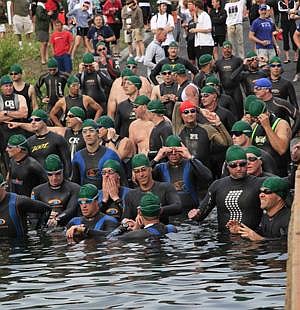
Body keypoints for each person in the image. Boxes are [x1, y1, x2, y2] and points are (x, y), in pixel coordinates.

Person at [188, 145, 264, 233]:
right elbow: (201, 215)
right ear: (227, 166)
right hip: (224, 240)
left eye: (242, 164)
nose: (239, 168)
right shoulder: (217, 185)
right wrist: (196, 215)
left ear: (247, 163)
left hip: (251, 240)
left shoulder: (258, 183)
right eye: (233, 165)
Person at [152, 135, 213, 208]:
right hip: (170, 211)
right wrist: (156, 158)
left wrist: (190, 157)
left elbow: (208, 177)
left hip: (190, 211)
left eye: (177, 151)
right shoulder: (160, 168)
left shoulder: (191, 164)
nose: (173, 153)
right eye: (170, 151)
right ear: (165, 152)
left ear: (182, 150)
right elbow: (143, 177)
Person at [123, 153, 182, 224]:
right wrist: (129, 223)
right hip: (142, 232)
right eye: (137, 171)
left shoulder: (165, 188)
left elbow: (178, 206)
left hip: (163, 229)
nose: (141, 174)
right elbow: (125, 218)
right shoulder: (130, 195)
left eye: (143, 170)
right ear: (134, 174)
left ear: (150, 169)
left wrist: (155, 211)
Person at [178, 100, 232, 171]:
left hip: (205, 171)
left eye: (193, 111)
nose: (190, 114)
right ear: (181, 115)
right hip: (185, 171)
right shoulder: (178, 129)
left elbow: (227, 143)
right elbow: (177, 105)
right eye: (186, 112)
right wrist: (200, 109)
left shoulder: (207, 129)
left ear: (196, 114)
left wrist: (219, 124)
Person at [31, 154, 81, 228]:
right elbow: (33, 218)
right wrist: (46, 216)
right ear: (46, 174)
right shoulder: (37, 191)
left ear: (63, 171)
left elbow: (72, 210)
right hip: (45, 229)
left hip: (65, 228)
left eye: (58, 174)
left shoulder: (75, 188)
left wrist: (57, 218)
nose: (54, 178)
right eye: (50, 175)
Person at [249, 98, 292, 176]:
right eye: (253, 118)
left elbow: (281, 149)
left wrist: (267, 127)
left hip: (279, 173)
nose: (256, 120)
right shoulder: (254, 126)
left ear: (266, 113)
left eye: (258, 117)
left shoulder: (281, 124)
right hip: (260, 174)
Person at [72, 119, 120, 188]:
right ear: (82, 135)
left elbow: (122, 181)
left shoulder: (111, 155)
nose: (88, 134)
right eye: (84, 132)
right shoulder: (78, 156)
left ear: (98, 133)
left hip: (106, 196)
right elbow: (75, 184)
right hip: (85, 196)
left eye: (91, 131)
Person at [0, 173, 50, 237]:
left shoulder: (18, 201)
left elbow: (47, 209)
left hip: (20, 244)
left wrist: (38, 231)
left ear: (2, 186)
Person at [26, 109, 72, 178]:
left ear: (45, 121)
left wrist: (66, 179)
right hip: (38, 181)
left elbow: (67, 162)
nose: (33, 122)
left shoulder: (57, 139)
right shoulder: (29, 142)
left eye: (37, 120)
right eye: (31, 120)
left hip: (55, 179)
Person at [113, 192, 177, 241]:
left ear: (139, 211)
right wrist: (137, 229)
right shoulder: (171, 228)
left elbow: (111, 240)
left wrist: (123, 226)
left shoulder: (133, 235)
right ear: (160, 210)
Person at [215, 40, 244, 119]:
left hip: (236, 89)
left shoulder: (237, 60)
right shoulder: (218, 62)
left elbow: (245, 70)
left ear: (232, 49)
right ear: (222, 50)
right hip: (224, 90)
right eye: (225, 48)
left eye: (229, 48)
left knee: (239, 109)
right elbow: (211, 73)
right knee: (225, 109)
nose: (227, 50)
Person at [35, 0, 50, 65]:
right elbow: (41, 16)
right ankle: (42, 59)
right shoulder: (39, 7)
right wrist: (48, 14)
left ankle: (47, 57)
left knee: (46, 43)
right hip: (41, 28)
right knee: (43, 43)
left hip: (45, 28)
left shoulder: (43, 7)